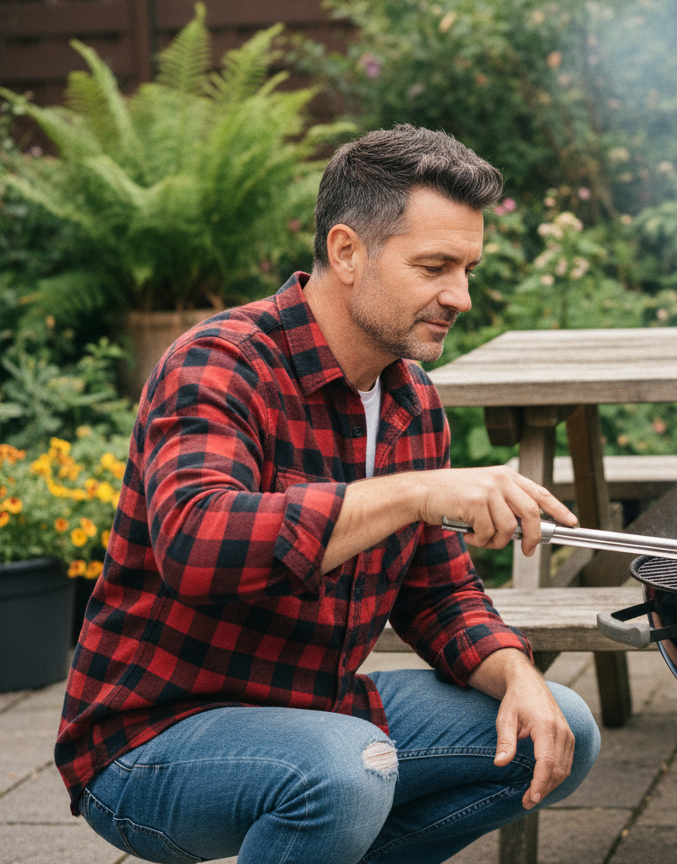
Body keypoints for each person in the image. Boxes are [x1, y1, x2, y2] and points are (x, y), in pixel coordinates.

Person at [55, 126, 600, 864]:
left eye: (468, 268)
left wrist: (515, 673)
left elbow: (439, 596)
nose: (460, 296)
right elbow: (197, 541)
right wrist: (413, 492)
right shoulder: (220, 363)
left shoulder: (413, 402)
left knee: (559, 725)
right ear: (346, 252)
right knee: (348, 771)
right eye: (434, 266)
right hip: (152, 740)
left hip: (322, 712)